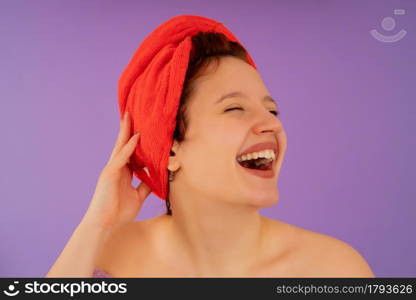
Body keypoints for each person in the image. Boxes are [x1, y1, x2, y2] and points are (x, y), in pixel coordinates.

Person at [46, 19, 374, 278]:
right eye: (234, 108)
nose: (272, 124)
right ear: (170, 150)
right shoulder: (104, 259)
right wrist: (96, 224)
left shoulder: (333, 270)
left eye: (272, 110)